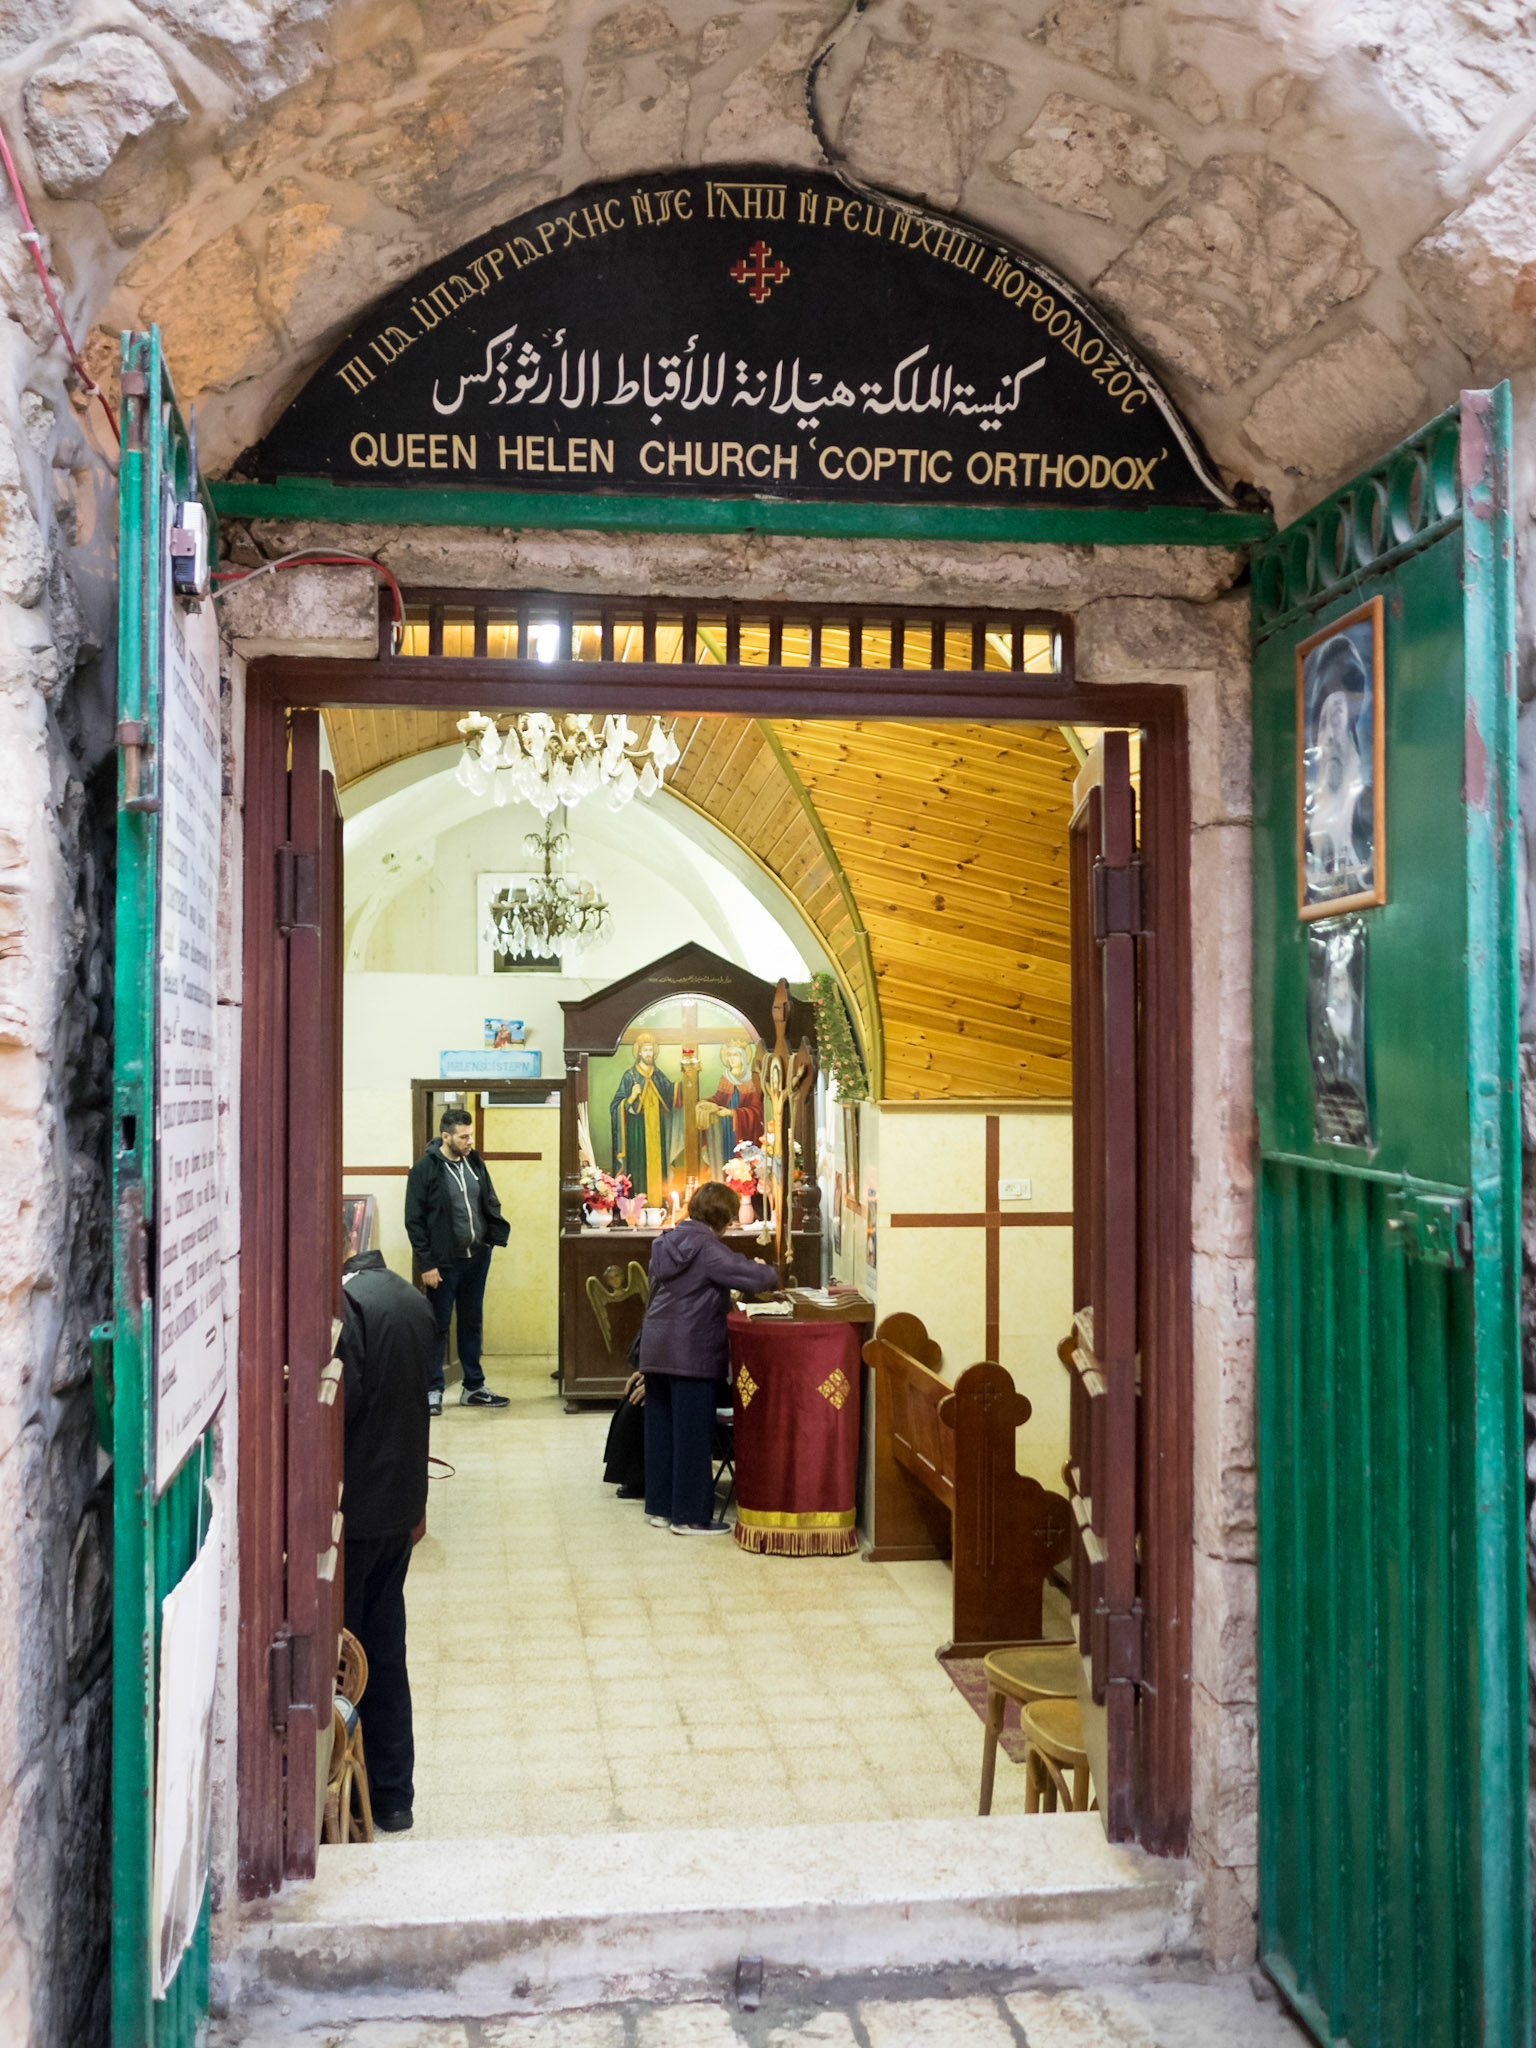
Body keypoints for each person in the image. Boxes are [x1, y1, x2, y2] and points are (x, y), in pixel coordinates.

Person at [337, 1246, 434, 1833]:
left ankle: (346, 1801)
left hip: (354, 1510)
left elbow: (339, 1406)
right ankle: (394, 1797)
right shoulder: (411, 1300)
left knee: (341, 1661)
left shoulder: (349, 1305)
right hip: (401, 1503)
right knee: (387, 1650)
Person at [638, 1180, 779, 1534]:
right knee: (692, 1436)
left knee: (662, 1433)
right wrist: (770, 1269)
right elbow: (752, 1276)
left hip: (656, 1347)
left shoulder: (664, 1241)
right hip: (690, 1351)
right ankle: (689, 1516)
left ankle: (661, 1507)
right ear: (724, 1219)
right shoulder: (707, 1248)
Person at [404, 1107, 511, 1416]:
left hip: (476, 1258)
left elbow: (487, 1199)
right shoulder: (424, 1170)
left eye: (471, 1135)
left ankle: (473, 1387)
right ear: (446, 1136)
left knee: (471, 1322)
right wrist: (426, 1265)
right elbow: (414, 1221)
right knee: (437, 1325)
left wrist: (491, 1236)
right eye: (463, 1136)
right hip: (443, 1263)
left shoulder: (474, 1162)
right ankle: (433, 1388)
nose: (469, 1141)